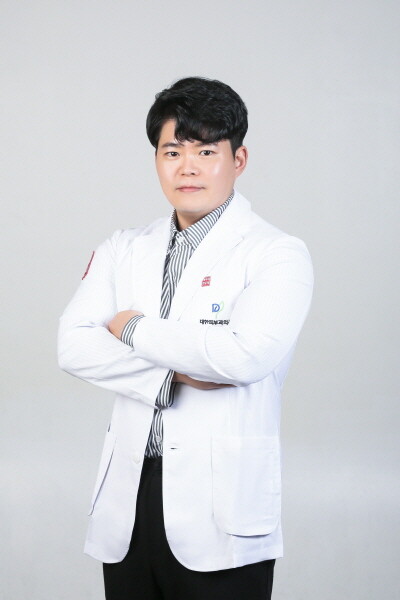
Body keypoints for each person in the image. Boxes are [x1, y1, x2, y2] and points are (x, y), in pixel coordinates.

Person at [58, 76, 314, 600]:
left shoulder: (277, 253)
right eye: (172, 151)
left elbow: (243, 358)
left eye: (206, 151)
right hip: (131, 499)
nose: (187, 167)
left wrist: (131, 328)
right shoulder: (124, 247)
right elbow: (73, 346)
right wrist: (178, 371)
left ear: (238, 159)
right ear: (156, 159)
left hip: (221, 502)